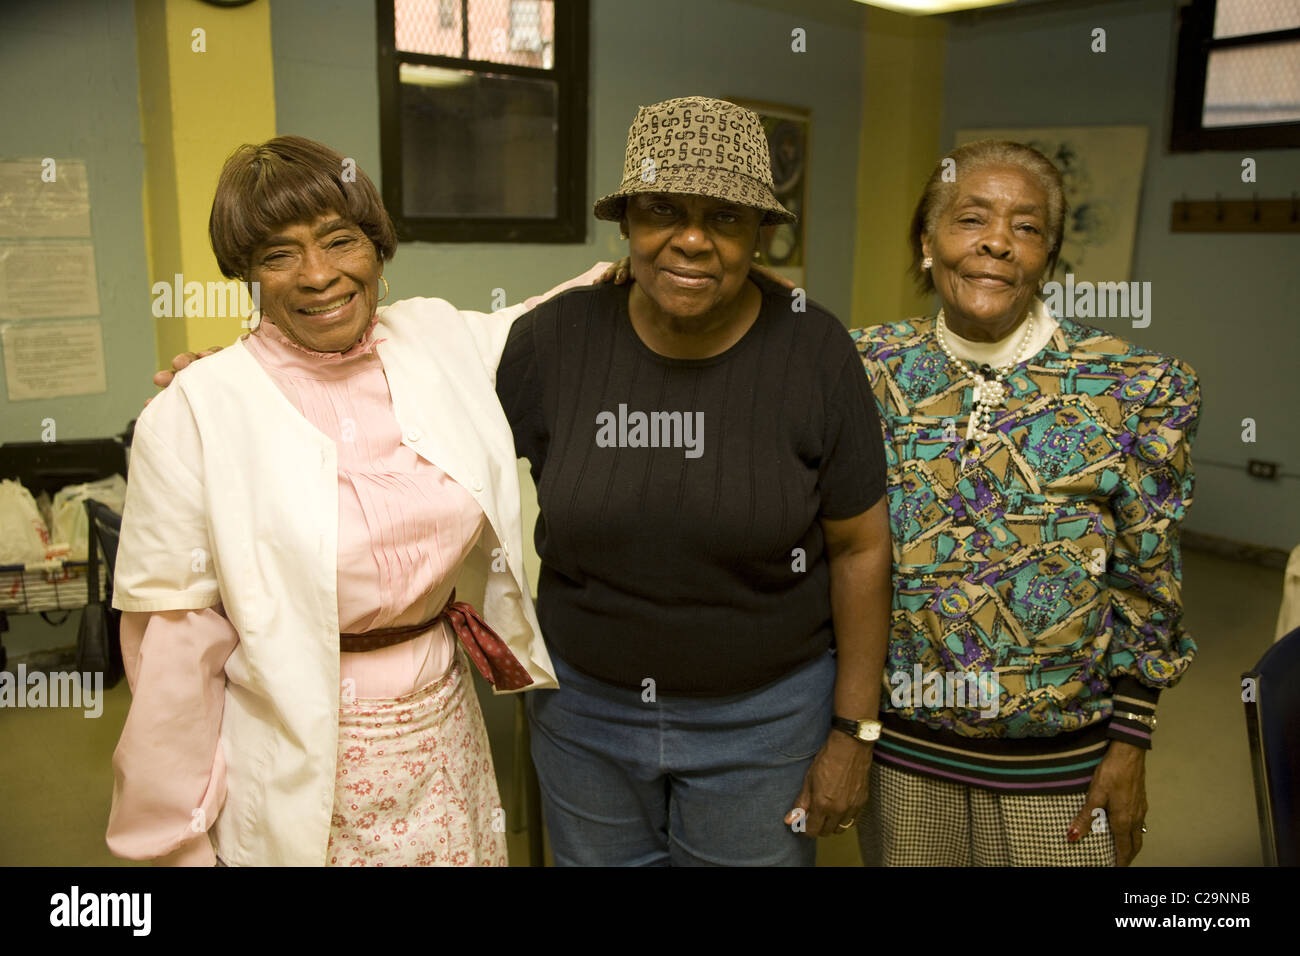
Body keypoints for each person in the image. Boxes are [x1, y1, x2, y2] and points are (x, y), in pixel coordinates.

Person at [107, 135, 598, 866]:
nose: (318, 275)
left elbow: (551, 313)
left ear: (376, 247)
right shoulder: (195, 415)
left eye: (340, 240)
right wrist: (172, 847)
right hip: (298, 752)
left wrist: (664, 268)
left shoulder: (435, 340)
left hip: (445, 735)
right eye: (278, 254)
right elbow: (174, 661)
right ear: (246, 274)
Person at [494, 96, 892, 866]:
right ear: (627, 225)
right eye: (662, 211)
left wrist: (853, 732)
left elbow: (860, 549)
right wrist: (264, 368)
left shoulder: (814, 350)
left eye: (726, 218)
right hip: (582, 713)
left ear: (760, 236)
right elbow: (427, 424)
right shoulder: (554, 341)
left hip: (765, 720)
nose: (691, 240)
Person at [850, 139, 1200, 866]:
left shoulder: (1133, 388)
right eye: (971, 218)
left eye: (1027, 227)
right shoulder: (863, 369)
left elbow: (1149, 584)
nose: (997, 244)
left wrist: (1131, 743)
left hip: (1062, 764)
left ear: (1048, 258)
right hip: (902, 752)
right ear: (927, 243)